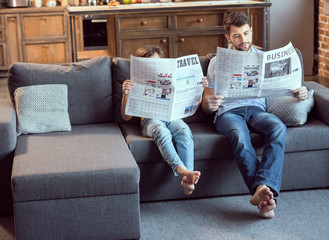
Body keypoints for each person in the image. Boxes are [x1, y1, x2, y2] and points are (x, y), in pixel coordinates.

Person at [201, 11, 309, 218]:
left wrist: (300, 92)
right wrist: (210, 103)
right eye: (237, 36)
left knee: (278, 127)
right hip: (228, 114)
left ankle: (263, 189)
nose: (244, 40)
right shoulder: (217, 61)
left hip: (257, 111)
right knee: (240, 138)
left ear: (251, 31)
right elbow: (206, 104)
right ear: (228, 38)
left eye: (247, 33)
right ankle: (266, 198)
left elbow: (289, 88)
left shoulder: (264, 58)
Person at [121, 45, 208, 195]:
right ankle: (181, 170)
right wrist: (126, 94)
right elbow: (126, 116)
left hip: (173, 117)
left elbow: (193, 106)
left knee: (183, 130)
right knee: (161, 131)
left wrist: (199, 89)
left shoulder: (171, 79)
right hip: (150, 120)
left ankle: (188, 180)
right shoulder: (133, 82)